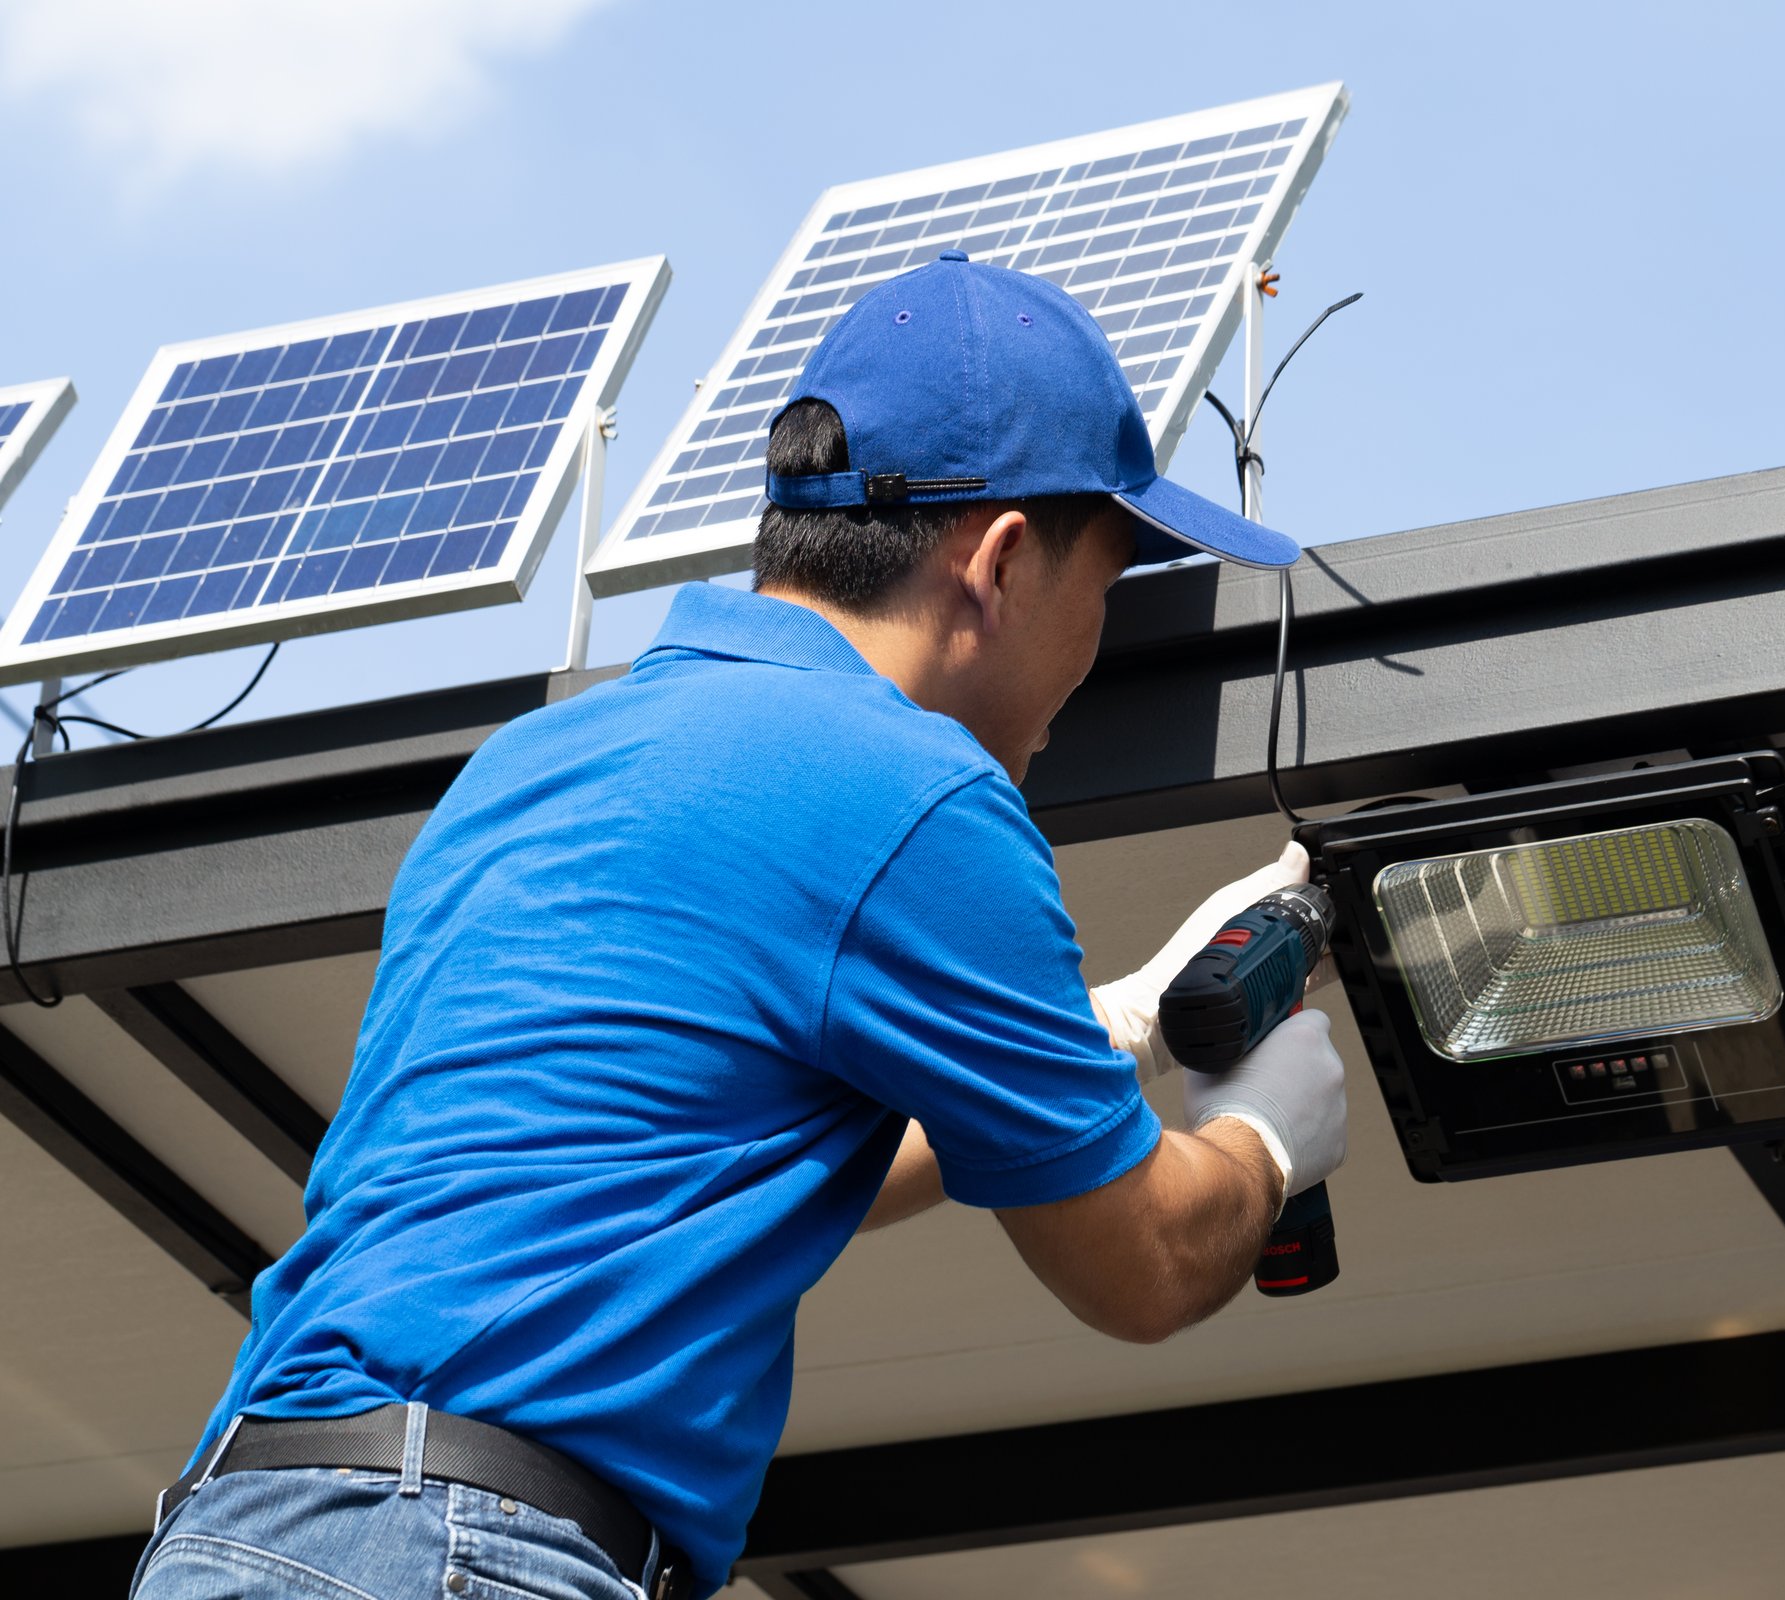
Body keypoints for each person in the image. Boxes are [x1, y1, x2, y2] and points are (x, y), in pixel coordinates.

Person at [129, 250, 1350, 1600]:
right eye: (1106, 588)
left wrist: (1108, 1035)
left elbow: (700, 1162)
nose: (1099, 642)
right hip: (465, 1556)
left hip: (247, 1531)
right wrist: (1265, 1135)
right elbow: (1148, 1264)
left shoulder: (533, 763)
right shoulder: (915, 796)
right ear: (1002, 561)